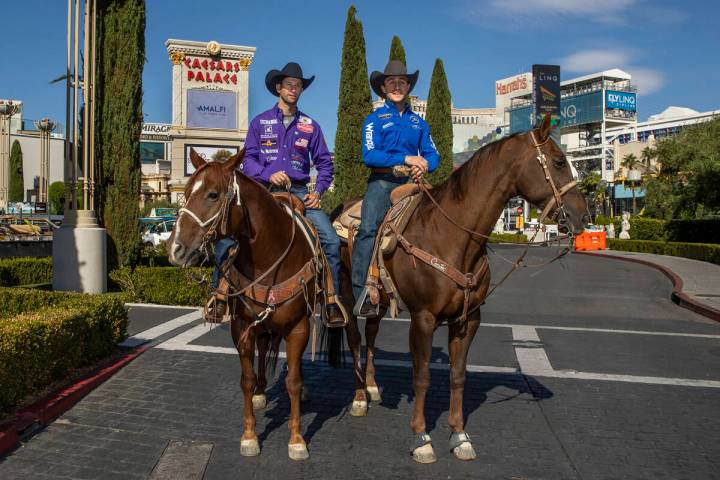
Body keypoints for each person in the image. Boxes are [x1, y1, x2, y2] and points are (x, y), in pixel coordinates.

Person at [208, 62, 348, 327]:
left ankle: (332, 300)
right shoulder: (260, 122)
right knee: (227, 237)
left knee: (330, 240)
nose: (294, 89)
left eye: (298, 86)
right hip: (262, 192)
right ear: (278, 88)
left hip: (298, 192)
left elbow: (325, 164)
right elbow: (247, 159)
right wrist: (266, 175)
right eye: (289, 85)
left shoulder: (310, 126)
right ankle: (218, 295)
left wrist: (318, 191)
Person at [351, 60, 440, 317]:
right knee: (368, 230)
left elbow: (433, 154)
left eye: (402, 82)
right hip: (382, 182)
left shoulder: (419, 123)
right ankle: (361, 293)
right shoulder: (374, 119)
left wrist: (425, 165)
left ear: (409, 86)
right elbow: (370, 155)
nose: (397, 86)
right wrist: (406, 159)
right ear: (383, 87)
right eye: (392, 82)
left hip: (413, 184)